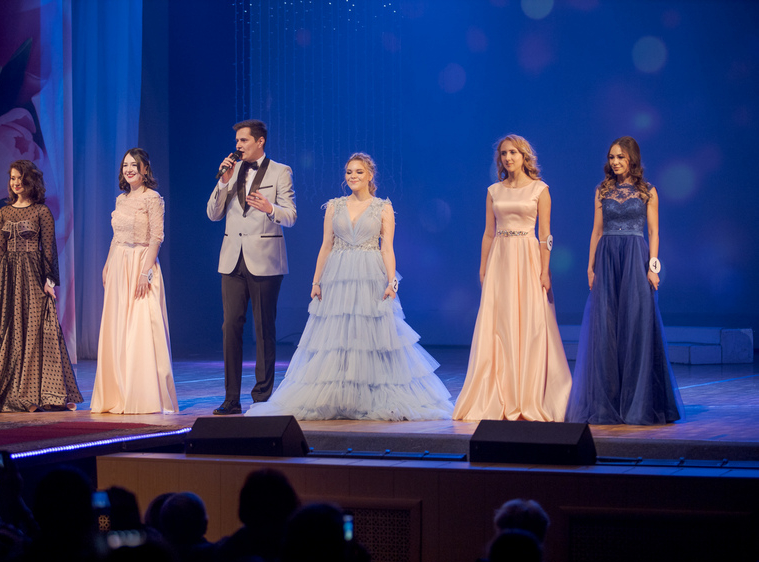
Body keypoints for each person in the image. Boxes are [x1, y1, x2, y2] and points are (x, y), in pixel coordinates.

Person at [247, 153, 452, 420]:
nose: (353, 176)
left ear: (370, 175)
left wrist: (392, 282)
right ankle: (339, 395)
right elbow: (326, 245)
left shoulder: (382, 207)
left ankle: (368, 395)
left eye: (358, 172)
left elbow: (387, 248)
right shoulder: (334, 206)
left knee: (370, 336)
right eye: (349, 172)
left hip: (369, 276)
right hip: (338, 276)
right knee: (337, 337)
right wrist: (316, 281)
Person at [566, 137, 683, 425]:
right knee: (606, 328)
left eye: (620, 157)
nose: (615, 162)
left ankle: (639, 403)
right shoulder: (602, 190)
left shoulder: (647, 191)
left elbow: (653, 232)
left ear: (632, 159)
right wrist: (591, 266)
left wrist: (653, 267)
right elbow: (596, 231)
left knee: (636, 326)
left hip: (635, 257)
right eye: (611, 157)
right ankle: (608, 402)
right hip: (607, 258)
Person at [453, 135, 571, 421]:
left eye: (514, 153)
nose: (508, 158)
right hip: (501, 259)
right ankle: (499, 393)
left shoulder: (540, 189)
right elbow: (488, 233)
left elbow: (545, 235)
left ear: (524, 156)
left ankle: (529, 393)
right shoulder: (494, 191)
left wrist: (545, 270)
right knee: (500, 324)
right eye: (504, 153)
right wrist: (483, 267)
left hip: (528, 258)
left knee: (530, 321)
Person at [0, 160, 82, 412]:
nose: (16, 183)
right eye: (12, 178)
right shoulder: (4, 212)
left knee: (36, 331)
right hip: (9, 278)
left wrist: (49, 282)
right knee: (8, 332)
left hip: (32, 275)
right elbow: (0, 249)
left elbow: (49, 250)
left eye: (20, 178)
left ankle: (40, 394)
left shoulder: (41, 212)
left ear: (31, 180)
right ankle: (9, 392)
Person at [207, 119, 297, 415]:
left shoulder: (280, 171)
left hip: (265, 259)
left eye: (243, 140)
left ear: (260, 141)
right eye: (237, 141)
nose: (238, 145)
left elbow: (291, 215)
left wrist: (270, 208)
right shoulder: (231, 171)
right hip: (232, 259)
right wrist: (223, 181)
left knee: (263, 328)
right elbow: (213, 214)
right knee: (230, 325)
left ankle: (261, 397)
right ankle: (231, 398)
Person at [91, 148, 178, 414]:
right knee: (118, 327)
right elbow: (116, 237)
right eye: (125, 165)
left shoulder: (153, 198)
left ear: (145, 169)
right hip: (120, 264)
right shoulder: (121, 200)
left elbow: (156, 238)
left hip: (142, 262)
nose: (129, 169)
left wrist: (144, 272)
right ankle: (117, 393)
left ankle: (143, 395)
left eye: (134, 165)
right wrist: (107, 264)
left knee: (141, 327)